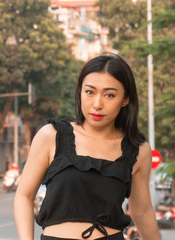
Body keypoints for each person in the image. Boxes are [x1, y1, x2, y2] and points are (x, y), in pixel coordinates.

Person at [14, 53, 160, 240]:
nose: (97, 104)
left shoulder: (138, 150)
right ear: (80, 92)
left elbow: (142, 212)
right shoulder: (51, 136)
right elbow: (24, 197)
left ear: (125, 99)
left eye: (109, 95)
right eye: (90, 92)